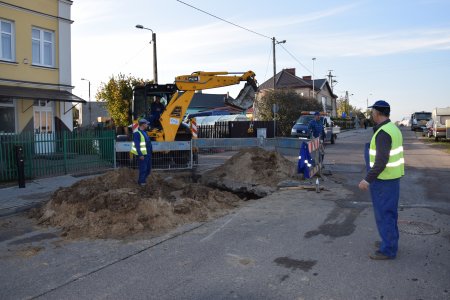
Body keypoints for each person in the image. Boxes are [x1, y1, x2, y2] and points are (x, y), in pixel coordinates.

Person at [358, 100, 405, 260]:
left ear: (377, 113)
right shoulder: (392, 129)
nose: (371, 114)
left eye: (372, 112)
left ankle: (388, 250)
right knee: (389, 214)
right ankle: (390, 242)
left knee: (384, 214)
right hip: (391, 179)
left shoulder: (384, 132)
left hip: (383, 180)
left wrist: (367, 180)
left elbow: (381, 161)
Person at [130, 118, 152, 186]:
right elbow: (137, 145)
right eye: (146, 124)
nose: (147, 125)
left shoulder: (145, 132)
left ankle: (143, 180)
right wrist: (140, 154)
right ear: (143, 124)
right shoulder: (137, 133)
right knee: (143, 169)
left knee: (148, 169)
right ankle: (141, 182)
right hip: (143, 155)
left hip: (148, 154)